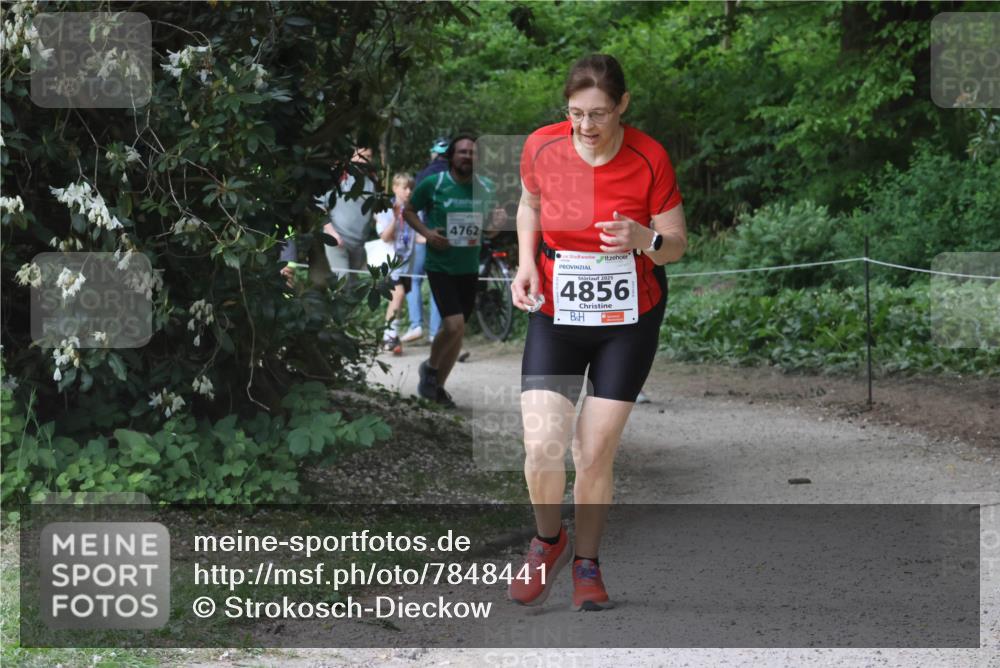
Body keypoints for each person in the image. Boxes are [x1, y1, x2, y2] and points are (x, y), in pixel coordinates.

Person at [507, 54, 688, 611]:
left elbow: (677, 245)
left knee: (593, 451)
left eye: (599, 114)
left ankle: (588, 563)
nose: (585, 126)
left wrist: (643, 237)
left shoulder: (649, 157)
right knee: (541, 446)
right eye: (575, 113)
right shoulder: (542, 145)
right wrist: (526, 262)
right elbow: (528, 204)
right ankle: (547, 541)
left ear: (623, 107)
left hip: (628, 321)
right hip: (557, 312)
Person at [403, 134, 502, 408]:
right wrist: (427, 233)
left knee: (457, 331)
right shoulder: (434, 184)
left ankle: (438, 387)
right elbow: (409, 211)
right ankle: (431, 368)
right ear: (451, 157)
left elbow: (489, 229)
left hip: (469, 267)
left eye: (472, 153)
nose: (467, 157)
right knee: (453, 324)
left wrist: (497, 223)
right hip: (440, 265)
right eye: (462, 152)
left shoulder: (486, 187)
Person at [401, 138, 449, 345]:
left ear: (434, 153)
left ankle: (416, 325)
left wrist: (423, 232)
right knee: (439, 283)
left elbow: (414, 207)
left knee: (412, 278)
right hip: (450, 238)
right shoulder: (460, 174)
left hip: (426, 235)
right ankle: (435, 332)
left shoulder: (426, 174)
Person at [375, 173, 417, 354]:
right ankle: (389, 337)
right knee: (398, 295)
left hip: (406, 261)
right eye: (404, 187)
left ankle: (390, 335)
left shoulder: (415, 208)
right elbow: (385, 237)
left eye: (410, 188)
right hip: (388, 261)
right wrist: (395, 217)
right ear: (394, 188)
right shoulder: (385, 208)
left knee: (398, 300)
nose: (408, 192)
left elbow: (420, 235)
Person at [323, 147, 376, 285]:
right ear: (352, 157)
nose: (366, 160)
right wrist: (332, 234)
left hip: (358, 244)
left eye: (369, 156)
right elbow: (318, 207)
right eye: (362, 155)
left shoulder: (371, 181)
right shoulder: (338, 178)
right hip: (337, 240)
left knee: (354, 289)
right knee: (342, 285)